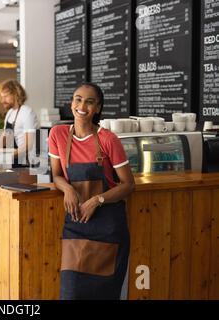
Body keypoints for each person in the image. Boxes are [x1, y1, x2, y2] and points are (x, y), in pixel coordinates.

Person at [48, 83, 135, 300]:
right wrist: (67, 188)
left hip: (107, 229)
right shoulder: (57, 134)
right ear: (71, 103)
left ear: (97, 108)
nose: (82, 105)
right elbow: (57, 175)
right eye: (78, 99)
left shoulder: (108, 139)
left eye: (89, 101)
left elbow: (128, 184)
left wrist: (97, 199)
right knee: (70, 293)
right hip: (76, 228)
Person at [0, 80, 39, 168]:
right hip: (15, 161)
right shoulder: (10, 113)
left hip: (27, 163)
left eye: (6, 96)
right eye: (1, 97)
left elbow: (28, 144)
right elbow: (4, 136)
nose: (3, 100)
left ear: (16, 94)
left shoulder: (27, 112)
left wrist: (8, 157)